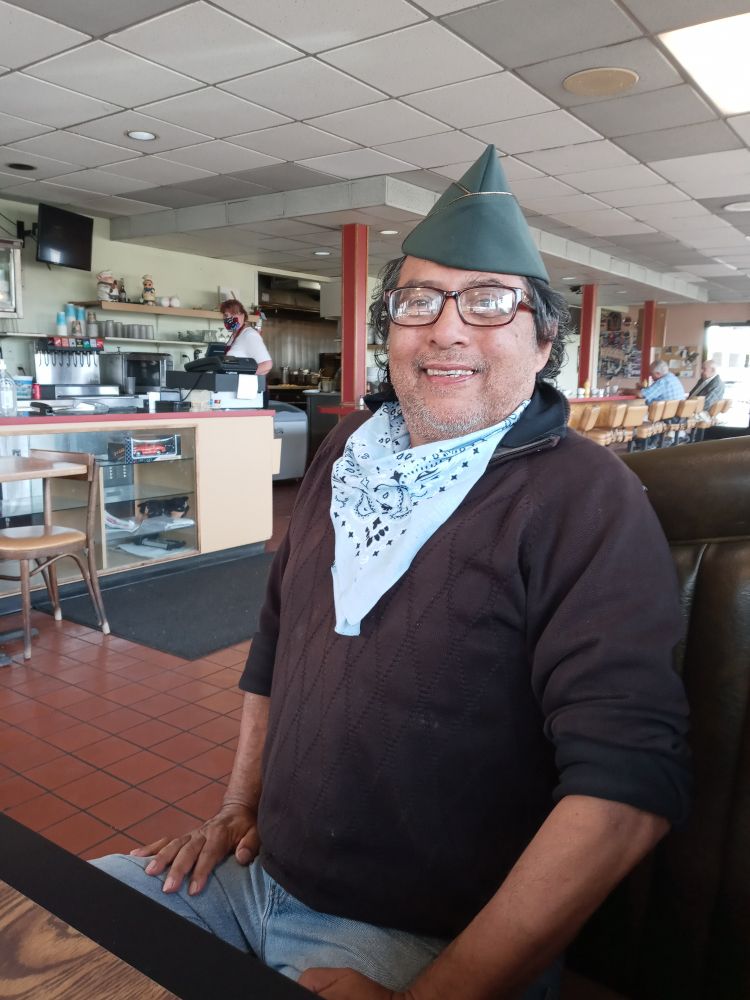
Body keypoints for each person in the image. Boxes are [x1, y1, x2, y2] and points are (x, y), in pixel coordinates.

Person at [93, 146, 691, 1000]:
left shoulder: (587, 497)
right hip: (250, 878)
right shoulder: (348, 448)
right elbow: (273, 645)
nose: (446, 328)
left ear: (544, 336)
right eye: (418, 300)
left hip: (426, 938)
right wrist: (235, 809)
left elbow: (630, 789)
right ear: (390, 329)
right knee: (50, 932)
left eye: (489, 302)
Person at [219, 298, 272, 375]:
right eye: (226, 315)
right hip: (233, 385)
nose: (229, 318)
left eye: (233, 314)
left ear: (243, 315)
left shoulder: (249, 334)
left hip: (245, 385)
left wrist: (242, 377)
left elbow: (267, 365)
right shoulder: (233, 337)